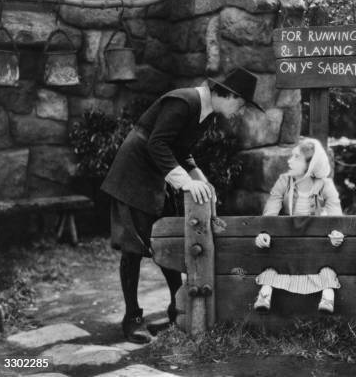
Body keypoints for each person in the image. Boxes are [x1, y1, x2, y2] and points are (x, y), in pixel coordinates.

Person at [101, 68, 262, 344]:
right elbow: (158, 144)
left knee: (168, 241)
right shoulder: (184, 101)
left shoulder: (205, 114)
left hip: (155, 176)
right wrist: (186, 184)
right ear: (228, 95)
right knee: (134, 247)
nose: (240, 111)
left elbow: (181, 150)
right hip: (133, 175)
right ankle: (132, 318)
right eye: (241, 104)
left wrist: (201, 180)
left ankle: (179, 309)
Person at [253, 138, 345, 314]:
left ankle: (327, 297)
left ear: (309, 164)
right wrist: (264, 233)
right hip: (288, 250)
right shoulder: (283, 181)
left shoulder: (326, 185)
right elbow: (271, 212)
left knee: (326, 271)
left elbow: (336, 218)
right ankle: (265, 294)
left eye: (296, 157)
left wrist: (336, 234)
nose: (289, 160)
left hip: (316, 251)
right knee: (273, 269)